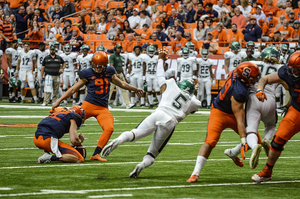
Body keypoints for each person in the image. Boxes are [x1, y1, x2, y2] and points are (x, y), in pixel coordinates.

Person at [101, 48, 202, 178]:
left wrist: (160, 59)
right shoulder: (194, 102)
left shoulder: (170, 84)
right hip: (170, 121)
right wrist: (194, 93)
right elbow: (193, 108)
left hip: (159, 112)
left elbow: (159, 75)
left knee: (134, 133)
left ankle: (119, 140)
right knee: (152, 154)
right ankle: (141, 165)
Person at [52, 51, 144, 161]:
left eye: (101, 67)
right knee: (67, 123)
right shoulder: (87, 73)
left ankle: (96, 154)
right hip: (88, 106)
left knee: (109, 128)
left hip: (103, 108)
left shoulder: (110, 71)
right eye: (96, 66)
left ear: (106, 65)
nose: (99, 69)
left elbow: (122, 84)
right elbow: (73, 89)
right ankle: (52, 144)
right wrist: (59, 100)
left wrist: (136, 89)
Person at [187, 61, 260, 183]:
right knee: (210, 141)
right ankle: (195, 173)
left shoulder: (235, 72)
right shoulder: (239, 92)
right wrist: (243, 140)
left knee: (256, 139)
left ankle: (233, 153)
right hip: (220, 112)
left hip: (228, 108)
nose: (255, 79)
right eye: (253, 78)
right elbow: (240, 120)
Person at [226, 46, 282, 169]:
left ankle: (253, 146)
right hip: (270, 100)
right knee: (271, 126)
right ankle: (266, 139)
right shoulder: (280, 68)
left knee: (251, 130)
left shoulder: (254, 63)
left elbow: (238, 73)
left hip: (254, 97)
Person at [251, 51, 300, 183]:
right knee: (278, 139)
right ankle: (267, 170)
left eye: (297, 70)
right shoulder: (286, 71)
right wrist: (260, 89)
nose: (293, 72)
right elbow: (264, 78)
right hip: (297, 110)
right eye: (292, 69)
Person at [108, 44, 134, 109]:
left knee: (124, 88)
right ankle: (106, 103)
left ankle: (128, 103)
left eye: (120, 48)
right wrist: (115, 73)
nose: (119, 49)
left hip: (120, 74)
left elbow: (121, 66)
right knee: (110, 89)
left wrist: (123, 75)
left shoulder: (120, 56)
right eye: (118, 48)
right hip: (114, 75)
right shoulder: (112, 56)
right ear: (115, 49)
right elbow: (111, 65)